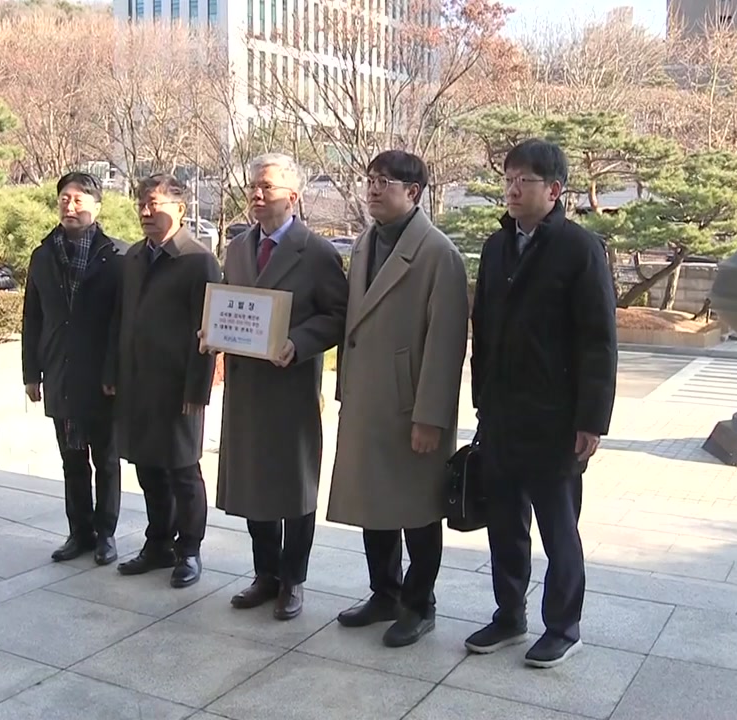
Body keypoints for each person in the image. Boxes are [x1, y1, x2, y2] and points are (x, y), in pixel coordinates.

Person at [468, 139, 618, 668]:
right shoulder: (496, 246)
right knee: (505, 525)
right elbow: (483, 327)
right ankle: (509, 615)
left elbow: (598, 341)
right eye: (508, 179)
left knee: (558, 530)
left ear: (554, 190)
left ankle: (563, 626)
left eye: (524, 180)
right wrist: (481, 398)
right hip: (501, 415)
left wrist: (591, 420)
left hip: (555, 419)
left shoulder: (580, 248)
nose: (512, 189)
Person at [326, 150, 469, 648]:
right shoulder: (366, 242)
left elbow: (446, 343)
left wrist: (430, 417)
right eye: (370, 178)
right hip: (367, 401)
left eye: (384, 181)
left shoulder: (438, 253)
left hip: (410, 407)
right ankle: (384, 593)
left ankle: (419, 603)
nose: (372, 188)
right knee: (374, 503)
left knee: (417, 510)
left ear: (413, 192)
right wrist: (344, 389)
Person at [207, 153, 348, 621]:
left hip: (290, 385)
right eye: (253, 185)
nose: (256, 194)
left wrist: (298, 342)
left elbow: (337, 315)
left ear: (293, 196)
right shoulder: (238, 248)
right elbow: (228, 303)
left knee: (294, 486)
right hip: (247, 387)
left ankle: (293, 579)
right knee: (253, 481)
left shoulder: (318, 252)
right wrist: (211, 333)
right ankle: (264, 573)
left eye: (267, 186)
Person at [105, 173, 222, 589]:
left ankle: (189, 550)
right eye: (141, 203)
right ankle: (158, 543)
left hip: (177, 385)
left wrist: (197, 388)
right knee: (148, 467)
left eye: (154, 203)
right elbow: (119, 318)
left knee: (183, 471)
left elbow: (209, 330)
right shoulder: (134, 256)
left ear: (180, 209)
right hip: (136, 381)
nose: (145, 211)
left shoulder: (198, 260)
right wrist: (111, 371)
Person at [22, 172, 127, 566]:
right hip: (60, 372)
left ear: (97, 206)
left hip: (101, 378)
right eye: (64, 198)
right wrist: (31, 373)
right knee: (71, 459)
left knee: (106, 460)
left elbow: (122, 322)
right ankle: (79, 532)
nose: (70, 206)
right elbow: (33, 317)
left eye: (79, 199)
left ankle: (106, 534)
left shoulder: (116, 257)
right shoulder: (43, 255)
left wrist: (115, 372)